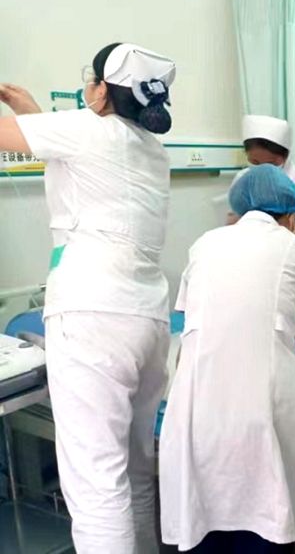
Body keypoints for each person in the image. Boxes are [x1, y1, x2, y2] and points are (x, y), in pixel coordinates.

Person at [0, 43, 175, 553]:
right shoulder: (151, 149)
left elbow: (51, 139)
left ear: (101, 91)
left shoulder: (86, 130)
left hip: (93, 314)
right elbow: (70, 154)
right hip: (146, 319)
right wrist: (31, 112)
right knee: (135, 467)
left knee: (96, 480)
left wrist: (29, 118)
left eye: (90, 79)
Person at [160, 164, 295, 553]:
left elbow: (192, 330)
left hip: (197, 404)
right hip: (263, 404)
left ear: (239, 208)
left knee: (204, 515)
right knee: (267, 507)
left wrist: (181, 392)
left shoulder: (204, 244)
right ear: (292, 215)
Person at [227, 115, 295, 245]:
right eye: (255, 162)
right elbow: (231, 223)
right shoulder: (242, 180)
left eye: (270, 164)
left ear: (285, 156)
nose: (263, 169)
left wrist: (282, 227)